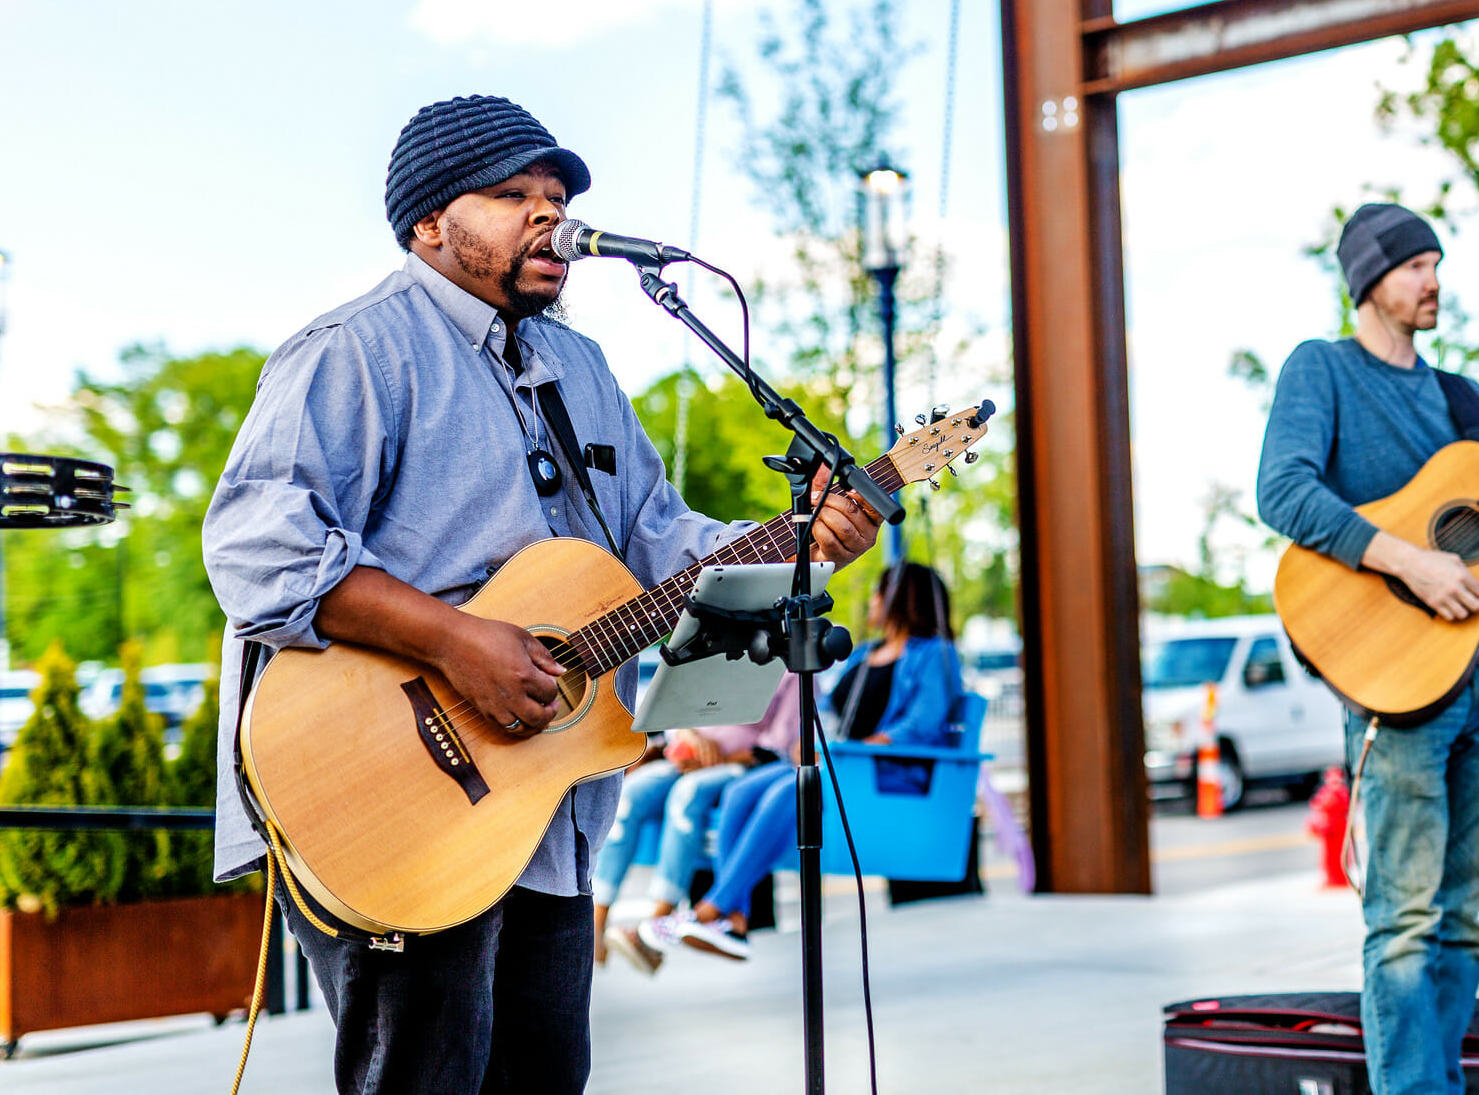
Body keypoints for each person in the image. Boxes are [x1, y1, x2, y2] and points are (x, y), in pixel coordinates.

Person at [201, 94, 880, 1095]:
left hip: (549, 816)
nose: (550, 214)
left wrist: (801, 545)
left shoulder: (580, 366)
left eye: (557, 195)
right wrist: (454, 642)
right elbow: (260, 549)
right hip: (396, 808)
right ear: (428, 222)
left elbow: (661, 539)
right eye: (513, 193)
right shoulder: (355, 349)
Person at [1254, 202, 1479, 1095]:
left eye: (1438, 264)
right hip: (1397, 684)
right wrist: (1410, 561)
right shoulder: (1321, 368)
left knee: (1464, 917)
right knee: (1403, 922)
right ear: (1369, 281)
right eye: (1415, 266)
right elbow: (1282, 490)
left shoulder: (1460, 397)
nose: (1435, 282)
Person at [641, 560, 964, 962]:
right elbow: (828, 708)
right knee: (742, 791)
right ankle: (735, 921)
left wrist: (855, 749)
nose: (872, 601)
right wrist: (807, 739)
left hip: (878, 771)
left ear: (902, 599)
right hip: (837, 763)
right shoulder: (866, 653)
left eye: (878, 594)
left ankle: (710, 910)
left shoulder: (935, 655)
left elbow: (922, 724)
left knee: (791, 791)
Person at [594, 673, 798, 972]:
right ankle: (596, 924)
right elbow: (677, 707)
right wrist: (688, 736)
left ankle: (655, 928)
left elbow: (778, 745)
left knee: (686, 795)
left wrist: (721, 758)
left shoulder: (789, 672)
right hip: (688, 757)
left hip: (741, 766)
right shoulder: (713, 654)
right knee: (630, 794)